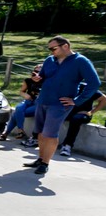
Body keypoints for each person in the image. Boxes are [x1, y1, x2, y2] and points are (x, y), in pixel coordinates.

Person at [23, 36, 102, 174]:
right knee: (40, 132)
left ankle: (45, 163)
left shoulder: (81, 61)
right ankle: (40, 159)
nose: (51, 52)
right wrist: (37, 79)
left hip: (59, 104)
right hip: (43, 100)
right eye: (49, 49)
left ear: (65, 46)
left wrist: (77, 101)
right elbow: (42, 77)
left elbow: (94, 83)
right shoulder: (49, 60)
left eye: (53, 48)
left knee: (50, 133)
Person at [0, 64, 42, 142]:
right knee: (19, 108)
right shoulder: (28, 80)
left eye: (39, 72)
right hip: (28, 101)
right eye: (35, 72)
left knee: (17, 112)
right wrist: (25, 94)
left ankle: (6, 134)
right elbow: (21, 92)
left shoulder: (46, 81)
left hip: (38, 104)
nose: (36, 74)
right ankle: (20, 130)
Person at [58, 83, 106, 157]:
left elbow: (104, 99)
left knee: (76, 119)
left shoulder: (86, 88)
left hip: (83, 114)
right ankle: (38, 139)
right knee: (50, 114)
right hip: (68, 112)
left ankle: (67, 146)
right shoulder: (66, 85)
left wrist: (91, 112)